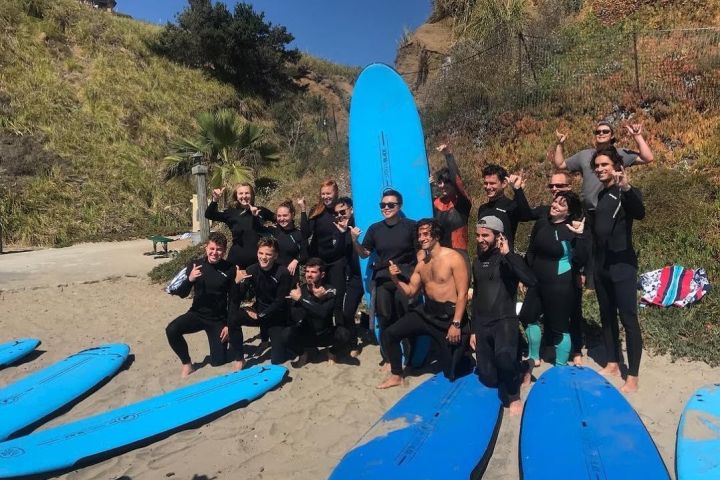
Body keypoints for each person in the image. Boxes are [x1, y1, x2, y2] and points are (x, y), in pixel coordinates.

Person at [377, 219, 470, 389]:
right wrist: (395, 279)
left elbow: (463, 294)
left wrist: (456, 324)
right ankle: (397, 375)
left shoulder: (453, 258)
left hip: (449, 317)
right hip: (427, 312)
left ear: (436, 235)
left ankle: (466, 350)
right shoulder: (422, 265)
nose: (421, 238)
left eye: (426, 234)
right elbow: (411, 291)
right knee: (389, 334)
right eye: (419, 235)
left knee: (452, 372)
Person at [590, 147, 645, 393]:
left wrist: (626, 188)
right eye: (597, 166)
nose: (600, 169)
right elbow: (598, 234)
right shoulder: (601, 197)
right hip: (602, 265)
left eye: (605, 165)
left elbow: (640, 213)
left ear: (616, 166)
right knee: (606, 315)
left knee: (629, 319)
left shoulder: (625, 192)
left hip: (622, 266)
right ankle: (613, 362)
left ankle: (632, 375)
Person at [517, 171, 586, 365]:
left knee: (558, 327)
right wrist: (525, 276)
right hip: (537, 281)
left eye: (561, 205)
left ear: (569, 211)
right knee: (527, 316)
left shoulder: (573, 229)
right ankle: (534, 356)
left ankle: (561, 366)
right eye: (555, 202)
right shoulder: (542, 223)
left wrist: (580, 237)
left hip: (560, 285)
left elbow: (581, 258)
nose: (555, 205)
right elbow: (531, 252)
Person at [471, 216, 537, 415]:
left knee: (504, 361)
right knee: (489, 379)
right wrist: (474, 329)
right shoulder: (476, 261)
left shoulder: (507, 260)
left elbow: (531, 280)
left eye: (485, 235)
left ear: (498, 236)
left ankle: (514, 394)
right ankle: (522, 365)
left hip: (504, 320)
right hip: (483, 323)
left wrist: (509, 253)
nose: (481, 239)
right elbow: (477, 296)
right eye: (478, 235)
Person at [350, 189, 417, 366]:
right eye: (383, 205)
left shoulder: (411, 226)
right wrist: (354, 241)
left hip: (404, 278)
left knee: (406, 319)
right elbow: (364, 254)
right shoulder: (375, 228)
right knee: (385, 320)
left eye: (390, 205)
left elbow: (421, 254)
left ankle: (410, 358)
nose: (386, 208)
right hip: (382, 280)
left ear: (399, 206)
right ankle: (389, 359)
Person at [165, 232, 244, 377]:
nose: (215, 253)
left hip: (218, 320)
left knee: (218, 362)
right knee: (172, 329)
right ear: (206, 248)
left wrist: (228, 325)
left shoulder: (230, 269)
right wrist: (190, 279)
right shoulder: (195, 265)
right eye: (212, 248)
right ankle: (187, 364)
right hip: (197, 314)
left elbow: (233, 300)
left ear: (224, 251)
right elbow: (182, 293)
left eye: (219, 249)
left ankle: (232, 350)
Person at [553, 121, 653, 211]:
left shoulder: (620, 154)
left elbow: (647, 158)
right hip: (587, 211)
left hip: (610, 209)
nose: (601, 133)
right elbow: (560, 164)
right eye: (598, 132)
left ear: (612, 135)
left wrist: (637, 136)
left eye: (605, 131)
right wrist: (560, 144)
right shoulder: (584, 155)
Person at [231, 237, 293, 365]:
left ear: (275, 256)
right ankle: (240, 358)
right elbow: (239, 296)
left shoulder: (283, 273)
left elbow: (280, 302)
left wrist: (261, 315)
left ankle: (275, 341)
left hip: (277, 316)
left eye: (268, 254)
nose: (263, 257)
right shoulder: (252, 269)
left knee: (277, 360)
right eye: (261, 253)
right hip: (259, 310)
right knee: (233, 317)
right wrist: (236, 283)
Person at [299, 180, 348, 331]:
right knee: (319, 296)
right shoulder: (317, 210)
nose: (326, 196)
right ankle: (322, 331)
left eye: (329, 193)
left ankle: (341, 335)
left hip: (337, 261)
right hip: (319, 262)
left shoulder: (341, 210)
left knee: (337, 297)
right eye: (323, 194)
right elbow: (305, 233)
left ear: (336, 193)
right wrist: (303, 210)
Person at [287, 258, 352, 367]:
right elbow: (296, 315)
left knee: (345, 334)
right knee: (285, 335)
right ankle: (303, 354)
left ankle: (332, 352)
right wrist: (313, 300)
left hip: (325, 333)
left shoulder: (330, 290)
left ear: (322, 275)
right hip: (307, 334)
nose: (309, 275)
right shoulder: (299, 291)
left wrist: (301, 300)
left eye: (313, 272)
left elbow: (323, 313)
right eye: (307, 271)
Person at [205, 183, 274, 268]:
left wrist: (272, 230)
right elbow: (209, 215)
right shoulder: (231, 213)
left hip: (259, 260)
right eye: (241, 193)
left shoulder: (261, 211)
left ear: (252, 195)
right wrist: (215, 199)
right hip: (236, 260)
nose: (244, 196)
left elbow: (280, 219)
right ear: (236, 196)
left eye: (247, 193)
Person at [333, 197, 366, 355]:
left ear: (351, 209)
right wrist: (341, 233)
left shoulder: (362, 222)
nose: (340, 215)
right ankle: (353, 343)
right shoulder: (340, 228)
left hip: (369, 272)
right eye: (337, 213)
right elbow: (338, 253)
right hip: (355, 277)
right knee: (348, 312)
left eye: (343, 211)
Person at [476, 165, 531, 251]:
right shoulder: (482, 208)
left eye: (492, 183)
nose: (488, 187)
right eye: (486, 183)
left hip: (504, 261)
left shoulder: (511, 206)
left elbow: (527, 216)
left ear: (504, 183)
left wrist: (517, 189)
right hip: (483, 261)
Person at [431, 144, 472, 252]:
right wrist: (428, 186)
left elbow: (457, 180)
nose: (443, 185)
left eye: (446, 182)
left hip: (459, 253)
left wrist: (448, 155)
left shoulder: (462, 202)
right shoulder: (436, 203)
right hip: (440, 255)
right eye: (440, 182)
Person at [268, 200, 308, 287]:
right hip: (272, 276)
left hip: (290, 278)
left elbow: (305, 254)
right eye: (279, 216)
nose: (282, 219)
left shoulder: (298, 234)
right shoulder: (273, 231)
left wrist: (296, 260)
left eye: (285, 215)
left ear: (292, 215)